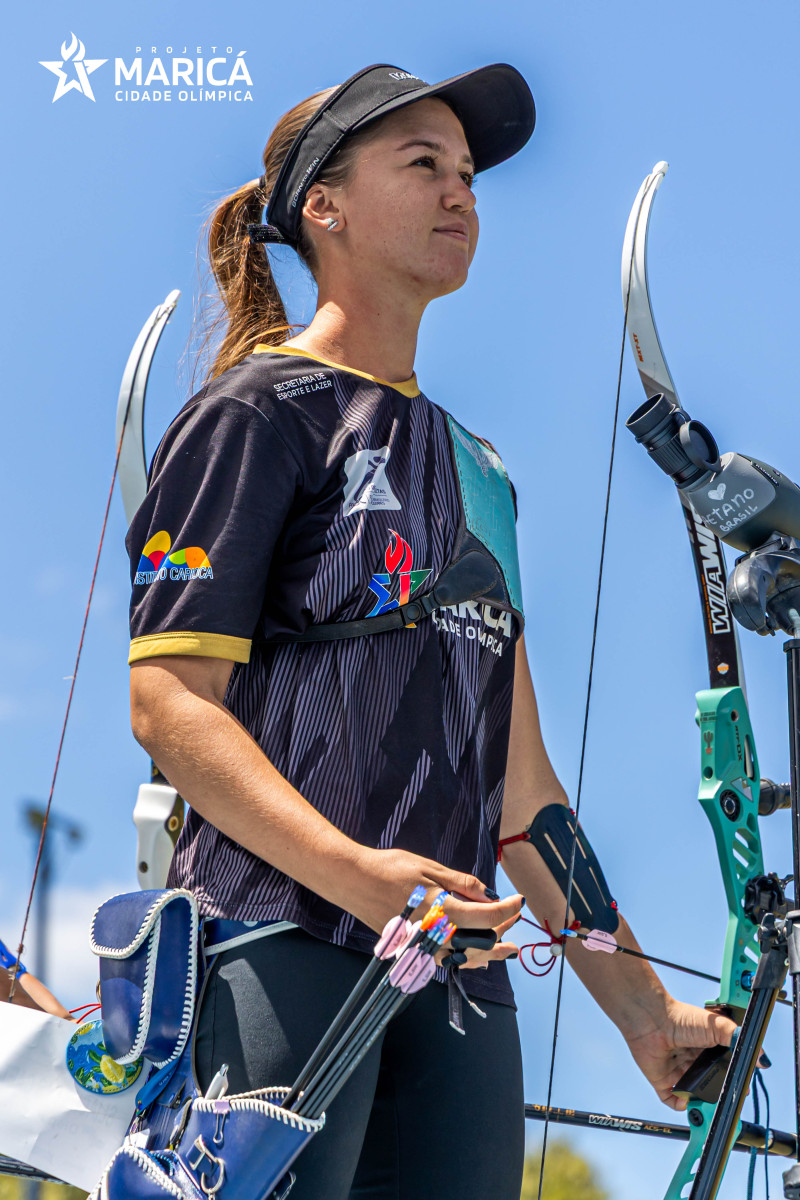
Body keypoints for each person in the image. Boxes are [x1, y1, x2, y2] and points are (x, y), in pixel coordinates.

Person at [126, 62, 736, 1200]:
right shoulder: (253, 412)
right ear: (324, 206)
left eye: (467, 174)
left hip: (457, 984)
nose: (460, 192)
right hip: (279, 943)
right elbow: (167, 704)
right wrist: (360, 879)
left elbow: (522, 798)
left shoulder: (479, 468)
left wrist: (643, 1011)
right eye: (423, 165)